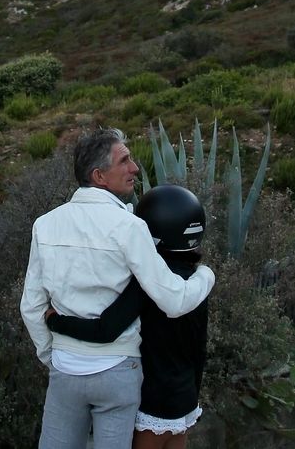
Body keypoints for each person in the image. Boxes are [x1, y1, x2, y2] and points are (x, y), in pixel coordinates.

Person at [21, 129, 215, 449]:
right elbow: (175, 300)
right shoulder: (130, 227)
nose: (135, 168)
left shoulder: (45, 224)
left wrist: (53, 357)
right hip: (117, 371)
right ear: (99, 176)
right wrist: (205, 275)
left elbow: (30, 307)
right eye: (124, 161)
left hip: (66, 369)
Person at [46, 184, 209, 449]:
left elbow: (106, 330)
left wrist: (55, 321)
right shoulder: (197, 283)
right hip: (185, 403)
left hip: (151, 403)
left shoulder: (148, 282)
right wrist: (191, 400)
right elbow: (199, 351)